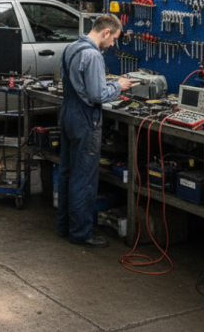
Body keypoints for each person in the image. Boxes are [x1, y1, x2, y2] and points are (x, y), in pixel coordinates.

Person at [57, 14, 133, 248]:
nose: (113, 45)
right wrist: (117, 86)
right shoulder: (92, 55)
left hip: (68, 113)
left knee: (67, 173)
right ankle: (81, 233)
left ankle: (65, 226)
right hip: (85, 118)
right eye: (114, 39)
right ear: (106, 32)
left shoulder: (71, 47)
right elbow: (97, 95)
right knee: (84, 178)